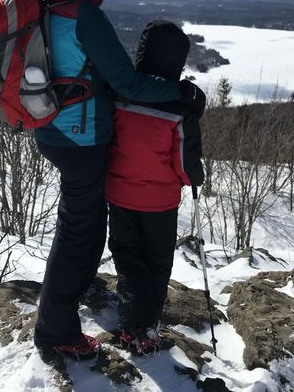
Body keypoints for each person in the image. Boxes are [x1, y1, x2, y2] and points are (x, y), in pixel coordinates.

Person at [32, 0, 205, 360]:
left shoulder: (44, 0)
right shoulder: (82, 11)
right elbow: (125, 80)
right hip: (81, 134)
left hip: (50, 125)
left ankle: (71, 300)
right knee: (80, 234)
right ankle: (56, 330)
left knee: (85, 228)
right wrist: (181, 94)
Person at [105, 20, 205, 355]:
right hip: (160, 203)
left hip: (119, 196)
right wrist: (195, 178)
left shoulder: (119, 94)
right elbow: (185, 165)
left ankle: (133, 324)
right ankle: (147, 326)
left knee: (129, 258)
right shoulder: (180, 109)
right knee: (158, 262)